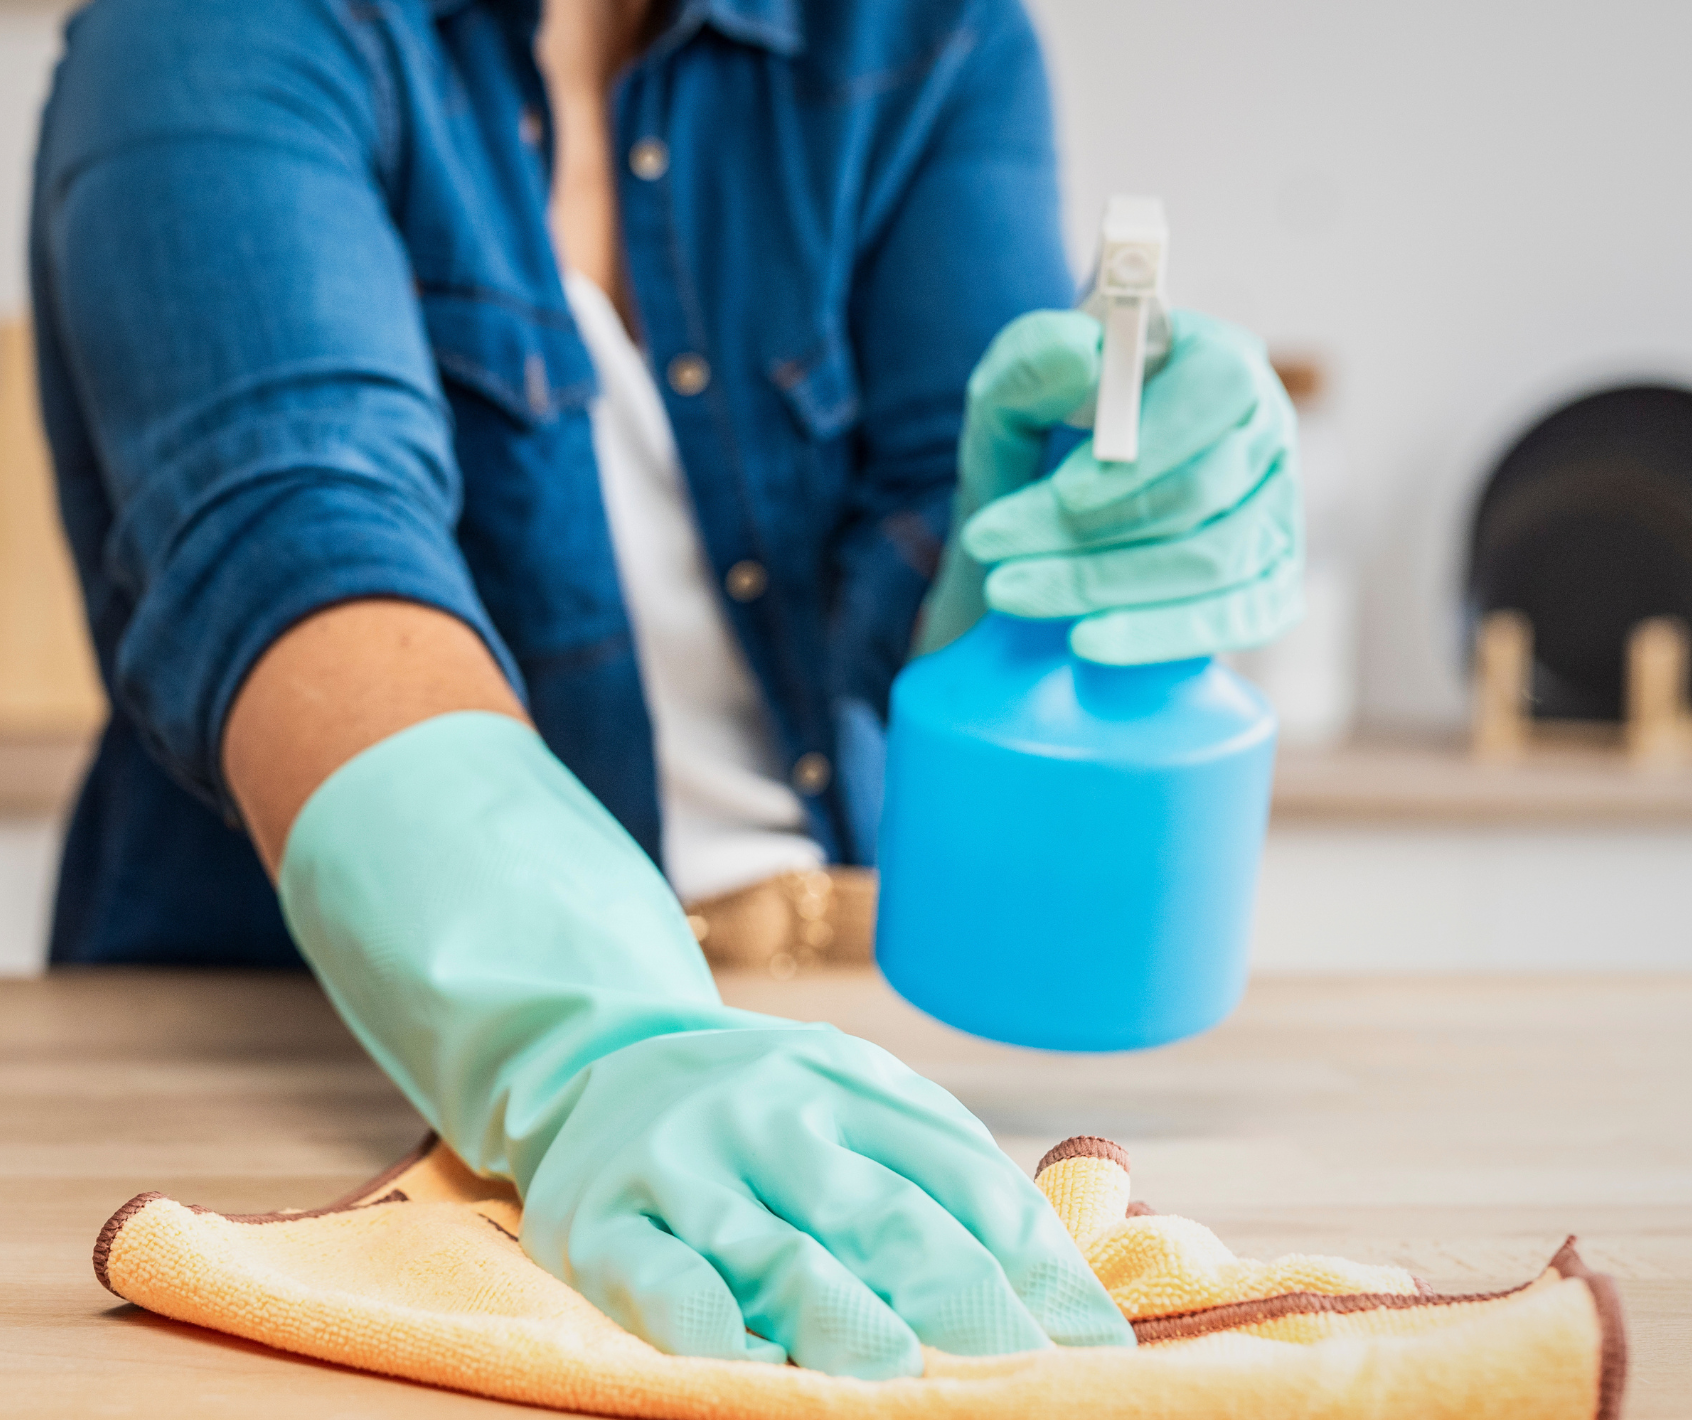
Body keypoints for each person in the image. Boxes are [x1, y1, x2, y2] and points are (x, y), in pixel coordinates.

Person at [31, 0, 1300, 1381]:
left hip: (820, 1027)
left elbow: (929, 590)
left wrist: (1066, 544)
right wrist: (597, 1040)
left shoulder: (920, 35)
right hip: (332, 1058)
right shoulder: (214, 31)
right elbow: (291, 541)